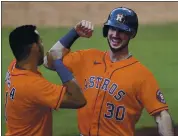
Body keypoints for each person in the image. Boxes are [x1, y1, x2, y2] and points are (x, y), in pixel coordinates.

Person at [44, 7, 174, 136]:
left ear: (131, 34)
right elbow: (49, 61)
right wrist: (74, 33)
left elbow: (162, 115)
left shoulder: (141, 74)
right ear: (107, 30)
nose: (115, 35)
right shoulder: (87, 57)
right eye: (113, 28)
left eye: (122, 31)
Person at [4, 25, 86, 136]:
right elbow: (78, 100)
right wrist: (58, 64)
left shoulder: (14, 66)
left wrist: (75, 32)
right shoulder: (33, 86)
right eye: (40, 42)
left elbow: (48, 56)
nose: (43, 45)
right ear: (34, 47)